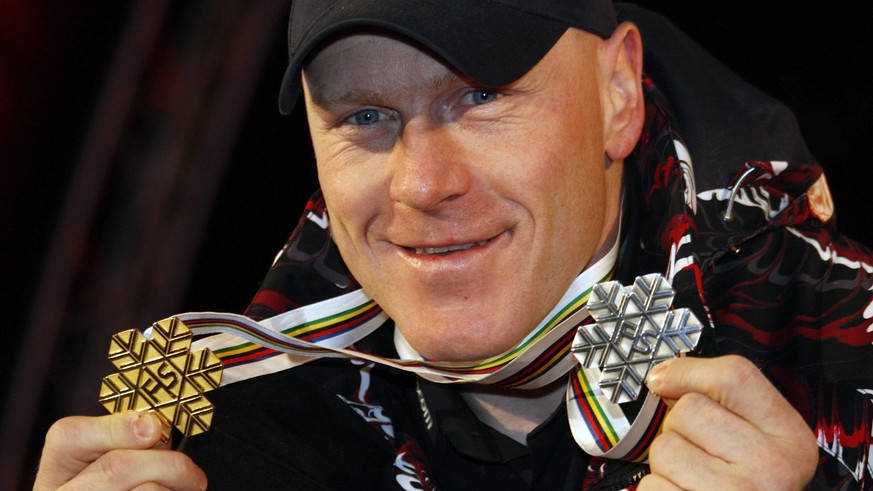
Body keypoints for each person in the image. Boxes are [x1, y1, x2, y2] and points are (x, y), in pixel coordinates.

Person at [34, 1, 872, 490]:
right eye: (364, 115)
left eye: (479, 96)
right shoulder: (226, 424)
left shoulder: (839, 351)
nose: (421, 184)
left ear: (618, 93)